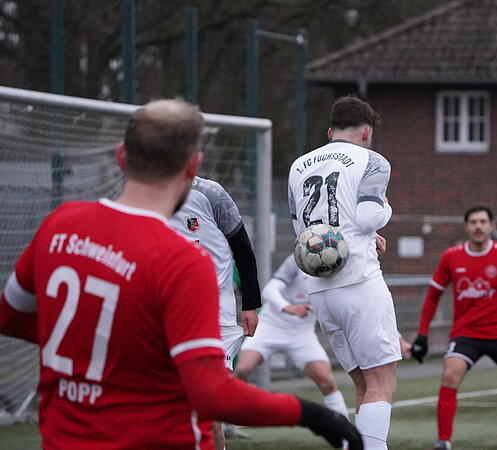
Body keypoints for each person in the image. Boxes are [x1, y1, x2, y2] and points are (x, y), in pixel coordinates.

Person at [0, 99, 361, 449]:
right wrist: (312, 415)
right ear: (193, 166)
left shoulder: (59, 225)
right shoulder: (182, 261)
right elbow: (213, 395)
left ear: (121, 156)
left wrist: (103, 349)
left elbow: (8, 317)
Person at [288, 95, 399, 450]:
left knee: (363, 385)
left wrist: (362, 236)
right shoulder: (372, 160)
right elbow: (367, 217)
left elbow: (302, 232)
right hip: (359, 282)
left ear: (330, 132)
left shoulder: (299, 165)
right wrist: (386, 210)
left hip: (320, 288)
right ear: (367, 132)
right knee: (381, 382)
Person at [411, 206, 497, 450]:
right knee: (450, 375)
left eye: (483, 221)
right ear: (466, 227)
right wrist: (422, 334)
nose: (478, 226)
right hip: (465, 334)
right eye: (473, 222)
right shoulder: (451, 256)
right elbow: (433, 297)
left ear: (491, 226)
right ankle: (443, 442)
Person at [168, 176, 262, 447]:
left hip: (215, 310)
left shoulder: (210, 193)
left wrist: (250, 304)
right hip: (170, 307)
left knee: (208, 397)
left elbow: (242, 247)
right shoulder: (149, 195)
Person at [235, 254, 349, 421]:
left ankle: (345, 428)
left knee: (327, 382)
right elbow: (269, 290)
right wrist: (287, 307)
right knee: (242, 370)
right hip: (270, 325)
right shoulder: (299, 258)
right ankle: (227, 422)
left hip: (302, 332)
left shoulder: (340, 265)